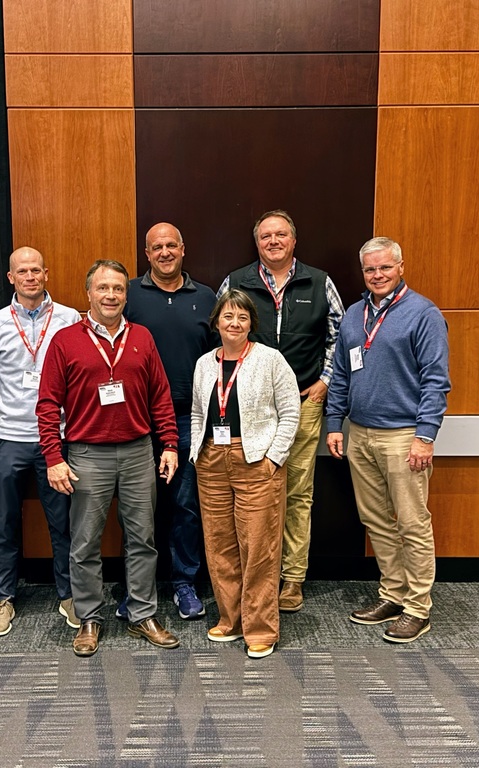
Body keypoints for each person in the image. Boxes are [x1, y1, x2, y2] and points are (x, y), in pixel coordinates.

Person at [37, 259, 181, 657]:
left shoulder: (143, 338)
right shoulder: (65, 341)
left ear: (125, 294)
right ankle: (89, 618)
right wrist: (53, 457)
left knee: (143, 539)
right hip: (87, 455)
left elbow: (160, 396)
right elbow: (47, 405)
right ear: (89, 294)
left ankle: (142, 615)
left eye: (118, 288)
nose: (111, 295)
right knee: (84, 542)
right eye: (103, 288)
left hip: (138, 451)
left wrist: (169, 444)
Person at [325, 236, 450, 643]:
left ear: (400, 267)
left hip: (404, 436)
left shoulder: (423, 314)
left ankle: (418, 607)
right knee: (375, 520)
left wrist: (425, 436)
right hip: (359, 433)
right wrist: (333, 424)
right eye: (370, 269)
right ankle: (393, 593)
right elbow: (341, 374)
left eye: (385, 268)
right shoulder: (354, 315)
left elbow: (436, 381)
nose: (378, 275)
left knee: (412, 522)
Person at [219, 210, 344, 613]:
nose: (273, 241)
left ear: (294, 240)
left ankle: (291, 579)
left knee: (296, 494)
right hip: (249, 409)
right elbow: (221, 333)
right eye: (266, 236)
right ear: (257, 243)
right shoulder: (236, 282)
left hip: (304, 405)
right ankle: (258, 577)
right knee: (252, 494)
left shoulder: (320, 282)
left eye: (281, 234)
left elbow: (340, 337)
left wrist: (325, 381)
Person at [0, 247, 83, 637]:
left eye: (36, 269)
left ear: (46, 274)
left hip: (57, 438)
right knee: (3, 522)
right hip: (9, 438)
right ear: (11, 278)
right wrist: (12, 410)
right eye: (22, 271)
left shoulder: (71, 318)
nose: (30, 276)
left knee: (63, 522)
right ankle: (3, 597)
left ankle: (69, 593)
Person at [191, 289, 299, 659]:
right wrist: (196, 452)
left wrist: (274, 457)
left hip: (255, 459)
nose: (234, 323)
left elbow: (290, 412)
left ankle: (260, 628)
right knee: (219, 544)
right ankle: (231, 618)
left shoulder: (271, 359)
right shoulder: (205, 363)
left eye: (242, 317)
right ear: (216, 322)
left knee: (258, 547)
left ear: (251, 323)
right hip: (212, 461)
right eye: (227, 316)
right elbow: (195, 412)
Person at [123, 223, 217, 620]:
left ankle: (184, 584)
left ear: (183, 249)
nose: (164, 252)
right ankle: (136, 590)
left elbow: (219, 360)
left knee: (185, 506)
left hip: (186, 418)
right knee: (136, 508)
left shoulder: (208, 297)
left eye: (171, 245)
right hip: (132, 419)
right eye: (156, 246)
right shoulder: (127, 295)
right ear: (146, 254)